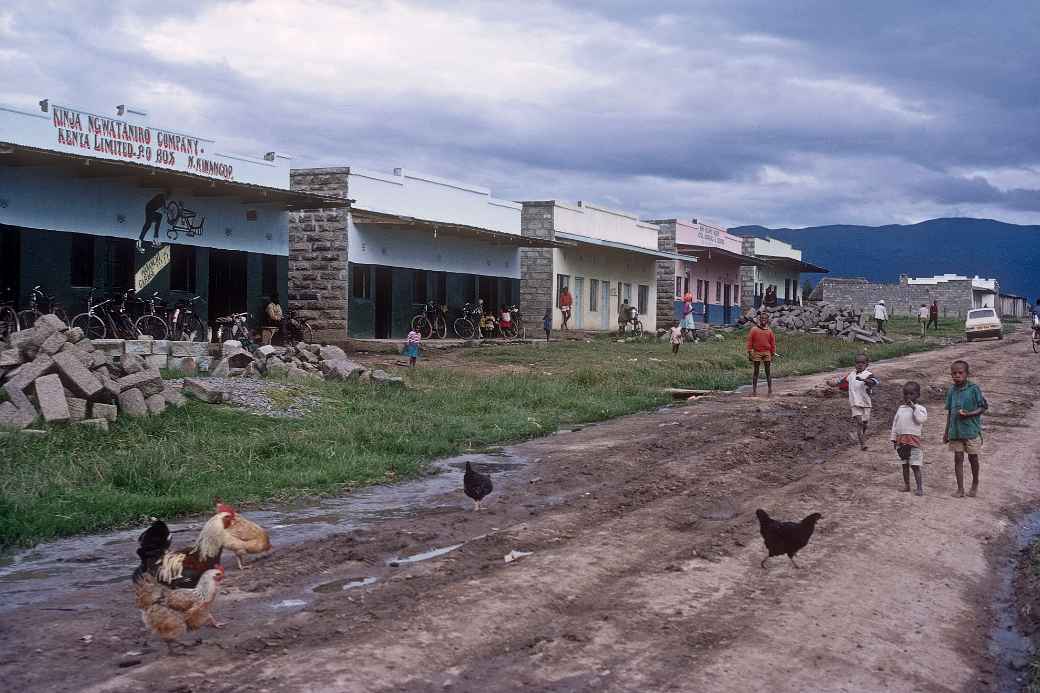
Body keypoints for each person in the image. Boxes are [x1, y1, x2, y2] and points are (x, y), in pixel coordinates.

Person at [944, 360, 988, 498]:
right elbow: (950, 412)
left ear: (967, 373)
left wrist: (969, 414)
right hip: (955, 431)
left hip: (971, 431)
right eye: (954, 373)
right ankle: (960, 489)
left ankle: (975, 483)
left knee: (973, 458)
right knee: (958, 458)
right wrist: (946, 432)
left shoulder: (974, 389)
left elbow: (983, 407)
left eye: (960, 372)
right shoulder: (951, 390)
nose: (957, 375)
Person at [830, 352, 879, 450]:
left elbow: (875, 382)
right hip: (855, 403)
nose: (860, 364)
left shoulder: (868, 374)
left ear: (867, 364)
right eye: (857, 362)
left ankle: (861, 435)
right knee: (859, 422)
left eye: (862, 362)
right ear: (854, 364)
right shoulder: (851, 375)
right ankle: (862, 444)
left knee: (865, 423)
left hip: (866, 403)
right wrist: (833, 384)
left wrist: (864, 380)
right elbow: (842, 383)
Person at [890, 381, 928, 496]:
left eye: (911, 394)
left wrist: (914, 408)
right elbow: (895, 424)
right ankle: (907, 485)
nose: (908, 396)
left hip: (913, 442)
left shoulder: (920, 408)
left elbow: (921, 419)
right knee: (904, 465)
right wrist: (894, 438)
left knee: (915, 465)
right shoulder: (900, 408)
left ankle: (919, 488)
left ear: (918, 395)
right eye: (906, 394)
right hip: (901, 441)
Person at [746, 312, 776, 396]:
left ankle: (770, 390)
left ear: (767, 320)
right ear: (759, 319)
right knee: (756, 372)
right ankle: (754, 391)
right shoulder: (754, 330)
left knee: (768, 372)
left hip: (767, 352)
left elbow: (773, 343)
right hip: (757, 352)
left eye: (765, 318)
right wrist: (749, 352)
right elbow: (750, 341)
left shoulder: (769, 331)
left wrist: (772, 353)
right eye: (762, 318)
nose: (763, 320)